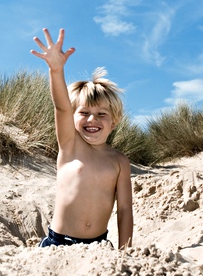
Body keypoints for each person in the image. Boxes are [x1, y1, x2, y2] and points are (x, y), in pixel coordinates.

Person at [30, 28, 133, 249]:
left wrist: (126, 251)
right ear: (74, 119)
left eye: (101, 114)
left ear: (113, 122)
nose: (92, 119)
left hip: (98, 246)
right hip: (59, 244)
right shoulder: (69, 145)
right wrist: (56, 71)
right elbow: (61, 107)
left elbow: (124, 209)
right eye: (84, 113)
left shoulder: (119, 161)